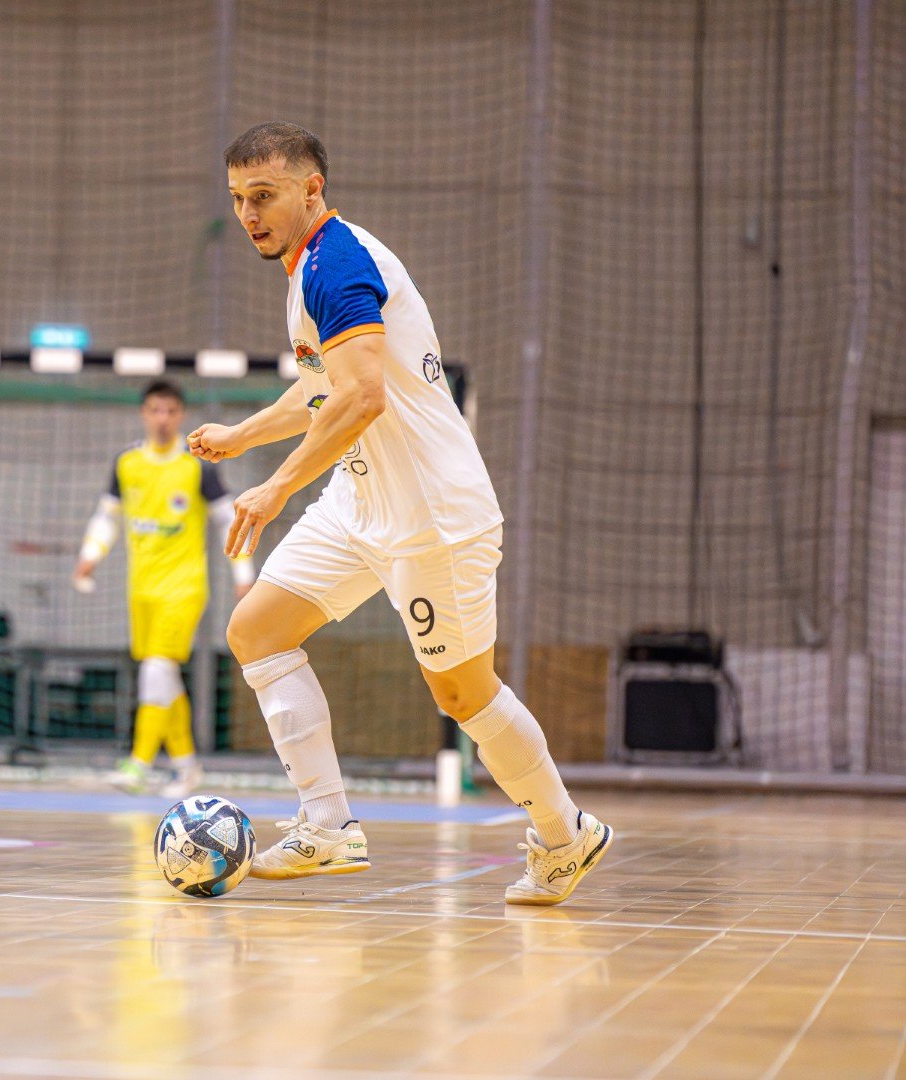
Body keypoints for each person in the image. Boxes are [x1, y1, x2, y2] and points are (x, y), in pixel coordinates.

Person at [189, 121, 611, 905]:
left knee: (463, 694)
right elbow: (326, 381)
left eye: (265, 195)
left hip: (431, 515)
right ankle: (326, 826)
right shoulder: (310, 264)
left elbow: (362, 395)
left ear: (312, 189)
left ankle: (565, 833)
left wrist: (275, 485)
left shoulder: (337, 262)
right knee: (256, 631)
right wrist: (244, 433)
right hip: (359, 502)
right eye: (239, 199)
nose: (250, 213)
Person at [74, 379, 256, 799]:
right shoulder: (127, 463)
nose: (162, 418)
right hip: (141, 591)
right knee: (164, 677)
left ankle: (139, 763)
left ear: (182, 416)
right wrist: (90, 554)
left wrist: (243, 576)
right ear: (143, 413)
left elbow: (228, 520)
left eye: (171, 411)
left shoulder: (199, 467)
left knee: (156, 670)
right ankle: (187, 766)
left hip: (184, 588)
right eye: (155, 410)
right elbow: (108, 516)